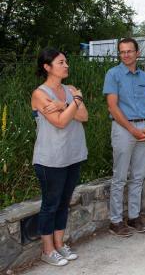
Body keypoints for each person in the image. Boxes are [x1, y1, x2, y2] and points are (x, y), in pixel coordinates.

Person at [31, 48, 88, 266]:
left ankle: (59, 244)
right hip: (50, 159)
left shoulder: (70, 89)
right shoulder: (40, 94)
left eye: (66, 61)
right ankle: (47, 250)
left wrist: (65, 104)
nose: (66, 65)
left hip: (72, 155)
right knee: (51, 204)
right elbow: (61, 122)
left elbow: (83, 116)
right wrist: (76, 101)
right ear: (47, 67)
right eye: (61, 62)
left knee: (64, 202)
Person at [103, 38, 145, 237]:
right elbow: (112, 107)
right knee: (120, 177)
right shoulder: (113, 74)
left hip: (143, 127)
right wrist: (133, 130)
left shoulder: (144, 76)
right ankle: (115, 221)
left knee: (138, 176)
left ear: (137, 53)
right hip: (124, 129)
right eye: (122, 51)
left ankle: (133, 217)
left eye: (129, 51)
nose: (125, 55)